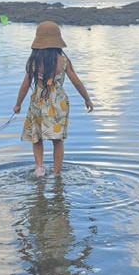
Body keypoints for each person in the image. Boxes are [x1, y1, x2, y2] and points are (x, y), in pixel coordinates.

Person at [13, 21, 93, 177]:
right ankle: (56, 174)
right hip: (58, 103)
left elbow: (25, 85)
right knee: (58, 140)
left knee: (36, 137)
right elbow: (76, 81)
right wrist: (87, 99)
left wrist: (18, 104)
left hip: (38, 101)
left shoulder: (33, 61)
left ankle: (39, 167)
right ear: (58, 41)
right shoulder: (63, 61)